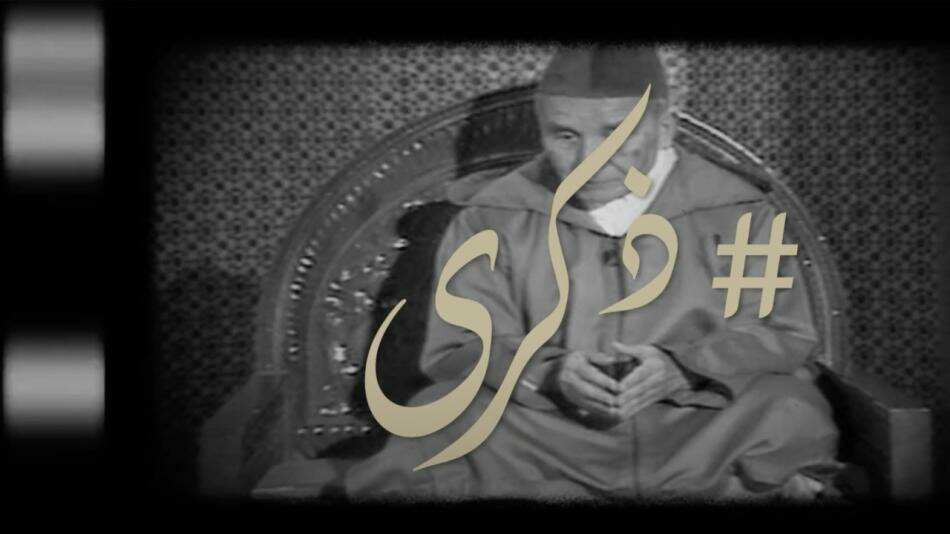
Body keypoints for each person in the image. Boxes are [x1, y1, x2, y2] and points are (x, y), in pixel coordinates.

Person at [344, 46, 840, 502]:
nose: (590, 160)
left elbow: (783, 333)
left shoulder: (741, 213)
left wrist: (684, 368)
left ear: (664, 126)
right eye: (565, 136)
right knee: (438, 418)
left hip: (697, 423)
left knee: (790, 408)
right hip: (547, 430)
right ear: (542, 131)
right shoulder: (491, 218)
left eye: (616, 133)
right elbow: (458, 348)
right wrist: (548, 373)